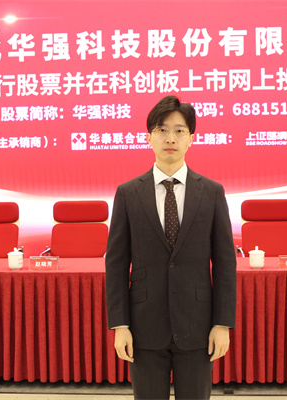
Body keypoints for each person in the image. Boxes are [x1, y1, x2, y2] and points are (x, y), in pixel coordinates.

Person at [105, 95, 237, 400]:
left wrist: (222, 323)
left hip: (198, 324)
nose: (170, 138)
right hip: (143, 326)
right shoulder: (128, 194)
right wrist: (120, 325)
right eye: (162, 130)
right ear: (148, 137)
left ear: (191, 139)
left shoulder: (212, 193)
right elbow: (116, 264)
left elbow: (225, 263)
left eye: (179, 131)